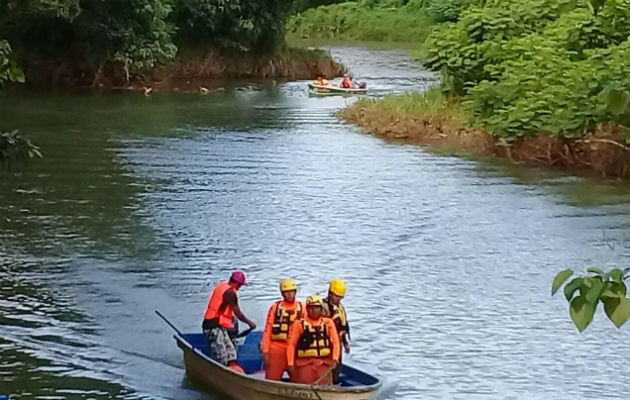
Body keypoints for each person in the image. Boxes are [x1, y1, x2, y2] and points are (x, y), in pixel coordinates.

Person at [202, 270, 256, 366]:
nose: (240, 287)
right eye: (240, 285)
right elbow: (238, 314)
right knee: (221, 357)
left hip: (219, 325)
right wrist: (250, 323)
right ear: (237, 283)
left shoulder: (222, 286)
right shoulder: (230, 293)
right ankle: (219, 371)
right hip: (212, 327)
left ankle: (232, 366)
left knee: (232, 354)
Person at [286, 295, 340, 384]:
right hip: (304, 364)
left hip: (324, 364)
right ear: (307, 309)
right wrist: (290, 363)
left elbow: (335, 342)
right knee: (304, 383)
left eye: (316, 307)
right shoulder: (298, 324)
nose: (314, 310)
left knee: (325, 384)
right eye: (311, 307)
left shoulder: (328, 323)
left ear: (321, 309)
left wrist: (335, 358)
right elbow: (291, 345)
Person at [261, 279, 304, 380]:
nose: (290, 295)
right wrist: (265, 351)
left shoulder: (302, 308)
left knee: (299, 379)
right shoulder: (275, 307)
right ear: (282, 293)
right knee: (272, 378)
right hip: (277, 348)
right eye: (287, 292)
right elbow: (268, 329)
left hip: (295, 350)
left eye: (292, 291)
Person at [323, 278, 350, 384]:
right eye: (336, 296)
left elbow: (343, 326)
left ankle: (335, 384)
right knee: (327, 368)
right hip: (327, 344)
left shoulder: (340, 308)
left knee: (337, 368)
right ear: (330, 293)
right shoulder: (324, 307)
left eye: (340, 296)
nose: (338, 299)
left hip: (338, 343)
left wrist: (345, 342)